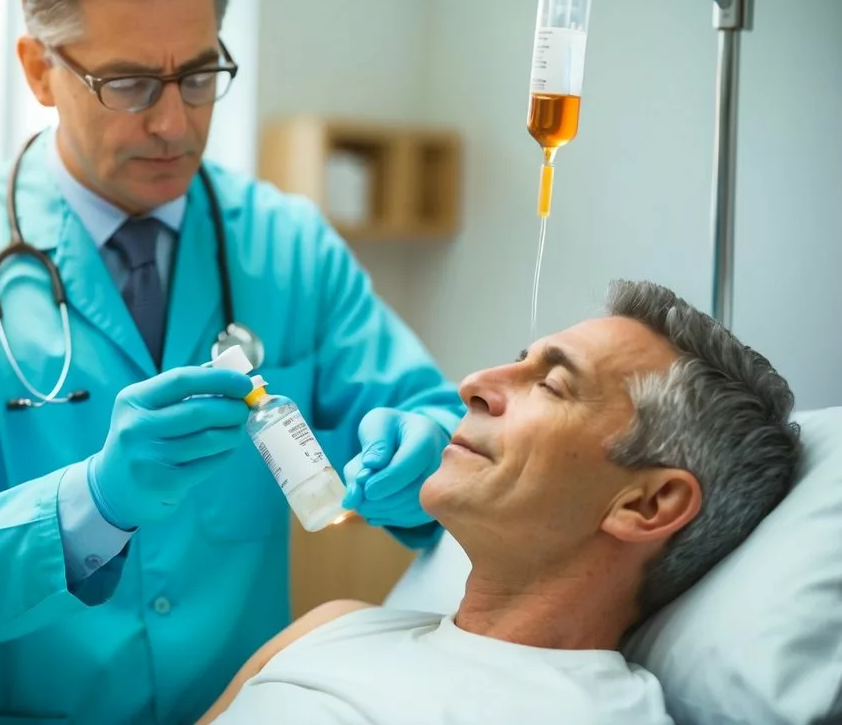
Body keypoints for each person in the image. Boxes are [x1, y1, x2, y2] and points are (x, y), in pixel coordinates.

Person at [0, 0, 465, 722]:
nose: (174, 122)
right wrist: (95, 502)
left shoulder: (288, 248)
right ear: (38, 70)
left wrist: (428, 463)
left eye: (199, 74)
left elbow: (431, 423)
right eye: (127, 83)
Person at [198, 280, 802, 725]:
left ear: (647, 504)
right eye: (518, 361)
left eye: (551, 384)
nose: (471, 386)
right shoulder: (335, 626)